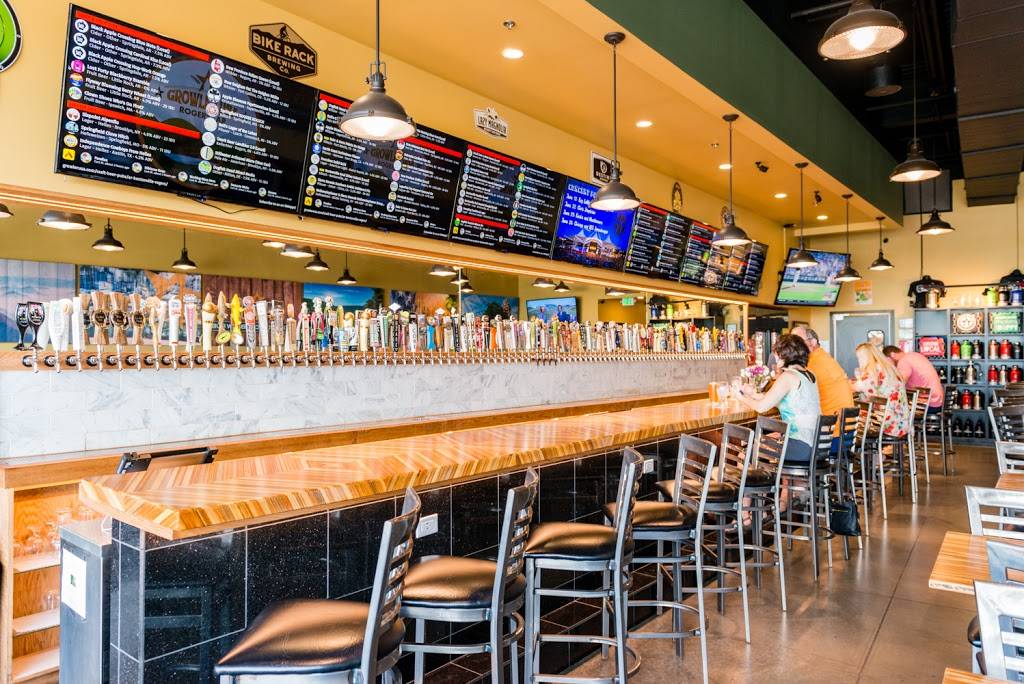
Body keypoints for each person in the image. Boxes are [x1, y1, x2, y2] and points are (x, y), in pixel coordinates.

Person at [737, 334, 821, 466]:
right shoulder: (810, 375)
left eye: (777, 353)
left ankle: (759, 479)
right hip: (816, 444)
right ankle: (772, 478)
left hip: (801, 446)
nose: (775, 357)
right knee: (765, 439)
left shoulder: (788, 376)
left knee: (745, 452)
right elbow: (779, 400)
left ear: (786, 354)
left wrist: (739, 397)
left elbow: (761, 407)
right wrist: (753, 394)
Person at [791, 325, 855, 419]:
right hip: (846, 422)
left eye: (798, 341)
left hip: (831, 424)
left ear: (813, 342)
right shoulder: (823, 357)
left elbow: (795, 396)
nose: (793, 346)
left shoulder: (812, 363)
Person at [853, 343, 910, 438]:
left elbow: (856, 388)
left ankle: (857, 446)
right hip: (902, 422)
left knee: (852, 418)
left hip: (890, 424)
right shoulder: (887, 367)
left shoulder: (873, 371)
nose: (859, 360)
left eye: (859, 358)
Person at [883, 345, 943, 412]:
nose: (889, 365)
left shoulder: (903, 361)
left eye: (887, 361)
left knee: (891, 409)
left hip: (928, 404)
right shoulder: (914, 355)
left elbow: (899, 385)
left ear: (892, 355)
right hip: (937, 401)